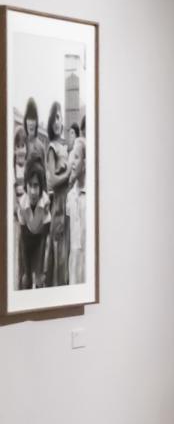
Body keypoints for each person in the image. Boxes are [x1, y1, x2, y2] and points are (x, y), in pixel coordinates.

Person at [44, 102, 71, 287]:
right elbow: (51, 181)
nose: (56, 121)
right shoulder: (52, 147)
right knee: (59, 255)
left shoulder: (64, 146)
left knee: (66, 254)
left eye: (59, 117)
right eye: (53, 117)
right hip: (58, 206)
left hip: (68, 203)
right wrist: (68, 172)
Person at [17, 160, 51, 290]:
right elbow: (24, 239)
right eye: (30, 185)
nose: (32, 191)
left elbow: (44, 239)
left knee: (39, 278)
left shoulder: (45, 202)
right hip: (26, 241)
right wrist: (26, 271)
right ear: (26, 185)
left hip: (39, 242)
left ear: (41, 187)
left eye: (36, 186)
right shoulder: (23, 203)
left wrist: (40, 270)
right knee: (25, 279)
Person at [67, 124, 86, 285]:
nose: (72, 161)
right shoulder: (70, 196)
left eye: (77, 157)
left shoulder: (89, 197)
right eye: (72, 156)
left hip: (87, 266)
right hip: (73, 265)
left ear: (85, 162)